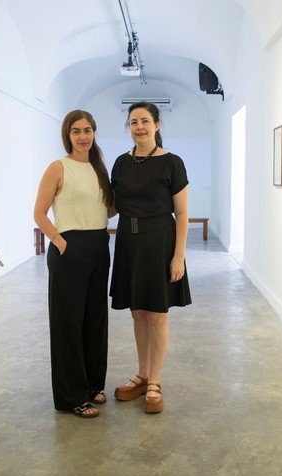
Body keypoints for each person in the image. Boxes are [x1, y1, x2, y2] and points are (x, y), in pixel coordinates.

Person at [109, 102, 192, 414]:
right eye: (133, 122)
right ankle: (141, 375)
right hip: (128, 242)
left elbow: (182, 214)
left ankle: (154, 380)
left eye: (145, 121)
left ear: (157, 125)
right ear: (128, 128)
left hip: (160, 242)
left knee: (157, 313)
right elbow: (112, 206)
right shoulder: (120, 163)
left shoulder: (172, 163)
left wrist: (178, 257)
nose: (139, 127)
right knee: (138, 312)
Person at [33, 110, 113, 418]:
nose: (83, 136)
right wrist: (60, 241)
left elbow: (106, 208)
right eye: (76, 131)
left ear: (94, 132)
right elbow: (39, 214)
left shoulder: (98, 168)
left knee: (95, 321)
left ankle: (93, 385)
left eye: (88, 130)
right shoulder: (58, 167)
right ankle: (72, 397)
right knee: (69, 324)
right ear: (68, 135)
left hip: (98, 247)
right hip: (70, 250)